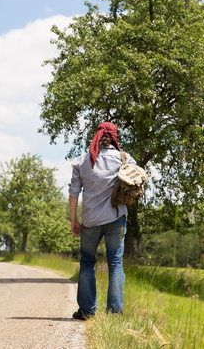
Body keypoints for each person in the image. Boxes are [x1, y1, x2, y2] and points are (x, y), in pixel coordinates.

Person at [69, 121, 136, 320]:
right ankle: (114, 312)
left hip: (90, 220)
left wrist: (74, 220)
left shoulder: (82, 161)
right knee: (115, 262)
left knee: (87, 262)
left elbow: (74, 193)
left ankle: (87, 311)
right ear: (114, 137)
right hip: (117, 218)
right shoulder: (124, 158)